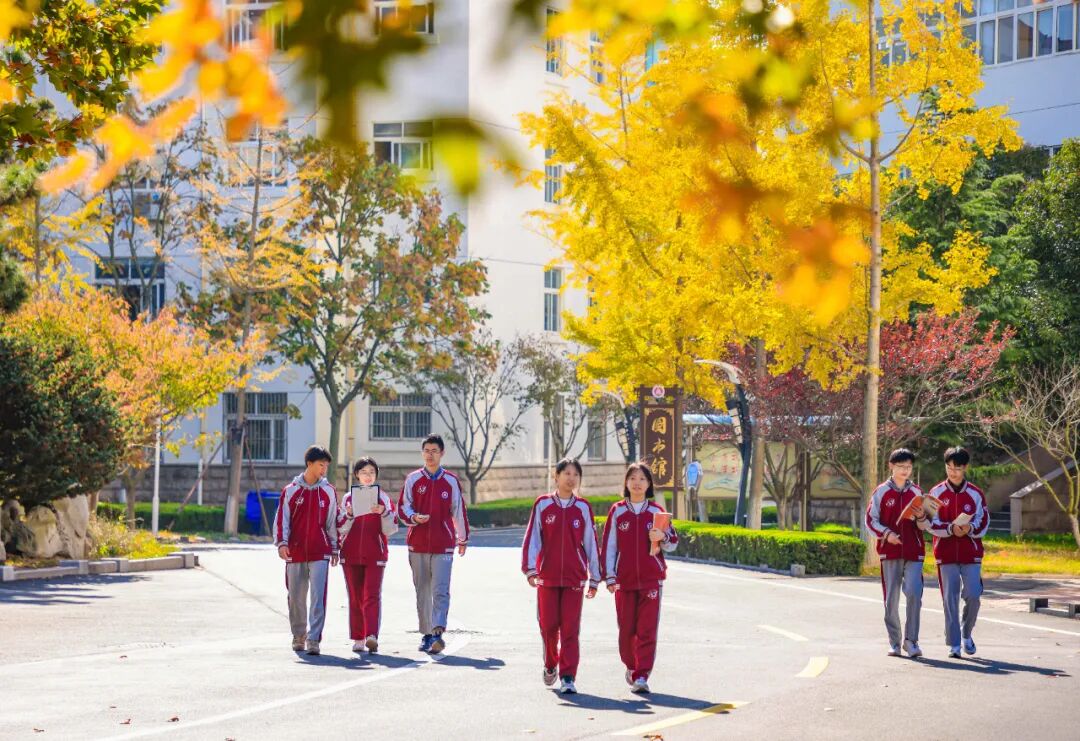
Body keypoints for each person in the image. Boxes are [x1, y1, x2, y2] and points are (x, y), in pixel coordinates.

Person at [521, 458, 601, 695]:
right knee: (548, 627)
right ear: (556, 476)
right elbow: (533, 538)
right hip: (547, 576)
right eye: (566, 473)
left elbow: (590, 542)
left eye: (575, 474)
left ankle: (568, 676)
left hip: (575, 579)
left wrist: (594, 578)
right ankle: (550, 664)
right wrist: (530, 569)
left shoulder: (583, 508)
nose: (571, 478)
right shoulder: (543, 504)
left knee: (570, 629)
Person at [601, 462, 678, 695]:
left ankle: (642, 675)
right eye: (633, 478)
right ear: (626, 483)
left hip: (651, 579)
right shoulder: (617, 511)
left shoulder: (656, 512)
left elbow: (673, 543)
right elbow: (610, 545)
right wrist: (609, 576)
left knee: (647, 629)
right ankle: (631, 666)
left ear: (649, 484)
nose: (637, 482)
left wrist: (662, 535)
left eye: (642, 479)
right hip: (624, 580)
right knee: (626, 631)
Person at [398, 433, 469, 654]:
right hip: (417, 544)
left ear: (441, 453)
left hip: (443, 544)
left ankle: (438, 632)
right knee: (422, 590)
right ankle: (426, 635)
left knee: (440, 590)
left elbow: (458, 510)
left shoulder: (450, 481)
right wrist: (413, 518)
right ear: (422, 453)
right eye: (427, 451)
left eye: (434, 451)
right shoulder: (413, 479)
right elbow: (403, 507)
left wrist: (462, 538)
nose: (430, 455)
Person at [865, 448, 932, 658]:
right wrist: (887, 534)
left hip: (914, 551)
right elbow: (870, 520)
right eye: (901, 466)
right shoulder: (881, 492)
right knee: (891, 599)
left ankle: (911, 642)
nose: (905, 470)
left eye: (909, 467)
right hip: (890, 551)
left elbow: (926, 525)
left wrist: (921, 517)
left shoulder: (917, 493)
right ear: (891, 466)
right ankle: (894, 642)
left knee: (914, 594)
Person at [274, 445, 339, 656]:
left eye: (326, 466)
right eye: (321, 465)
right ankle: (299, 635)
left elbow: (332, 523)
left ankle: (314, 639)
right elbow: (282, 520)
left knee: (319, 596)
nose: (323, 470)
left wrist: (335, 548)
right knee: (296, 596)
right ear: (309, 464)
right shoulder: (290, 491)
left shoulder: (328, 491)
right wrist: (282, 543)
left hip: (320, 552)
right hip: (295, 552)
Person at [927, 446, 988, 658]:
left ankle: (966, 634)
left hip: (971, 553)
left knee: (973, 595)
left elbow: (983, 521)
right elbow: (929, 523)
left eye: (957, 468)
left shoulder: (976, 494)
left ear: (965, 468)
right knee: (949, 599)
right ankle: (954, 643)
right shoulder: (935, 493)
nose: (953, 472)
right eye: (949, 467)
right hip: (945, 554)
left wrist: (969, 529)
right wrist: (950, 529)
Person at [338, 456, 398, 655]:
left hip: (375, 553)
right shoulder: (348, 498)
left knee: (371, 595)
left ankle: (372, 635)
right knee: (355, 597)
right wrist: (348, 514)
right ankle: (358, 637)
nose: (368, 476)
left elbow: (390, 529)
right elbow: (341, 528)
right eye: (364, 472)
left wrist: (383, 513)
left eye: (372, 472)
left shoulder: (384, 499)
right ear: (356, 475)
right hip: (351, 553)